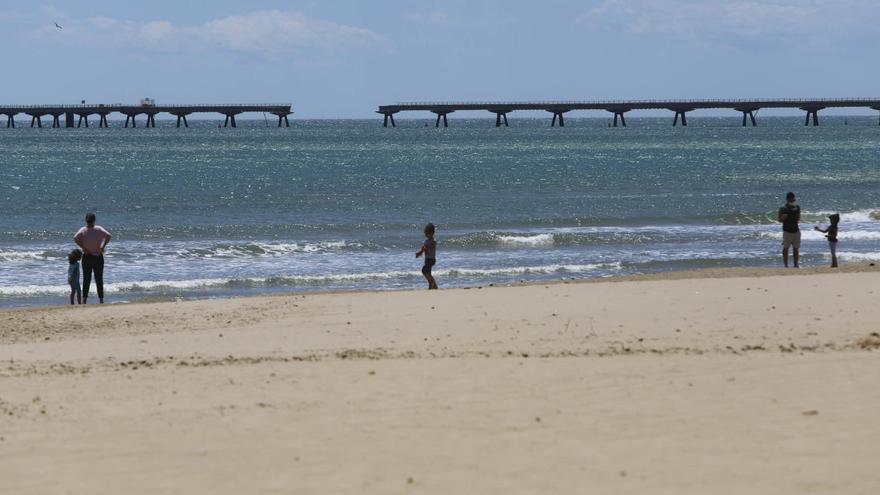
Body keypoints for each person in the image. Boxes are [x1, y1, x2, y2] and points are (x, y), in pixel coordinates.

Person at [74, 212, 112, 304]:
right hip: (98, 256)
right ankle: (101, 299)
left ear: (86, 220)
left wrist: (83, 247)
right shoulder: (98, 229)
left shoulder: (83, 229)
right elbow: (109, 236)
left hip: (87, 256)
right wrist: (102, 247)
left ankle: (84, 300)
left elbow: (75, 238)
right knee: (99, 278)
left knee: (86, 279)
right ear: (94, 220)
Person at [778, 192, 801, 268]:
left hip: (796, 230)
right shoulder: (783, 208)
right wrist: (783, 217)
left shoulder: (797, 207)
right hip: (787, 231)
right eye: (790, 198)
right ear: (787, 199)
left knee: (796, 248)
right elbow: (779, 220)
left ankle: (796, 264)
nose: (792, 199)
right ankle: (786, 265)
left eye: (793, 198)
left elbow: (798, 218)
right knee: (786, 248)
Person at [415, 223, 438, 290]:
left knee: (424, 270)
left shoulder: (433, 241)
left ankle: (431, 283)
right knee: (429, 273)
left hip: (431, 259)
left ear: (432, 233)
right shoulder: (426, 241)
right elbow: (423, 250)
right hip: (427, 259)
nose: (426, 234)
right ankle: (435, 286)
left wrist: (425, 248)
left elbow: (431, 247)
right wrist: (419, 253)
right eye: (425, 233)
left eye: (427, 233)